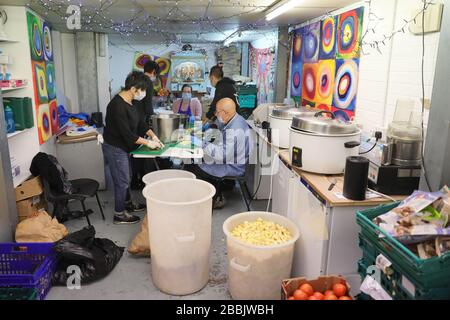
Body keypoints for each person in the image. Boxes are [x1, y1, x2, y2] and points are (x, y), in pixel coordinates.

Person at [102, 71, 164, 225]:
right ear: (133, 89)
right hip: (115, 147)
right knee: (122, 181)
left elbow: (140, 123)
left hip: (124, 146)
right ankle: (119, 214)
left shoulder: (132, 102)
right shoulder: (116, 106)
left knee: (126, 176)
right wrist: (148, 143)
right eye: (142, 90)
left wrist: (153, 135)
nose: (143, 94)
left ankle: (127, 204)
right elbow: (127, 134)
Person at [185, 97, 253, 209]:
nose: (215, 114)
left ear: (224, 113)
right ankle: (213, 194)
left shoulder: (235, 129)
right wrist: (206, 130)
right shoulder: (234, 118)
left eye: (217, 112)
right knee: (195, 160)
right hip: (230, 157)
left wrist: (201, 143)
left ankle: (212, 198)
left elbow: (222, 155)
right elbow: (219, 127)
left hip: (232, 165)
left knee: (193, 167)